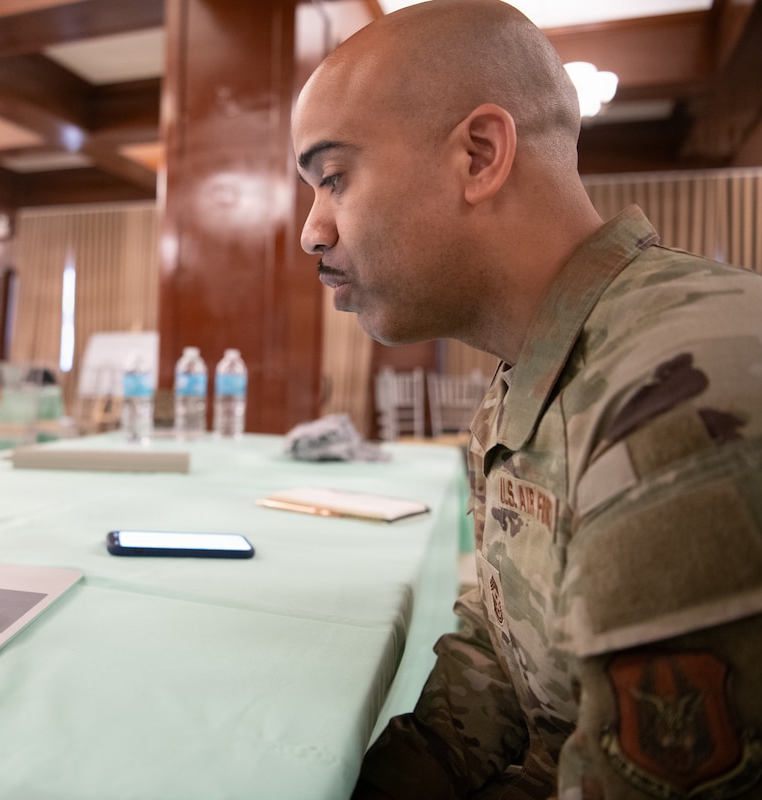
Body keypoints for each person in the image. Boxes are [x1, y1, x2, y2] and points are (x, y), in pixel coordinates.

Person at [291, 2, 762, 799]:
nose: (312, 231)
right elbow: (498, 661)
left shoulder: (681, 393)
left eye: (333, 177)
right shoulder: (535, 373)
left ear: (479, 154)